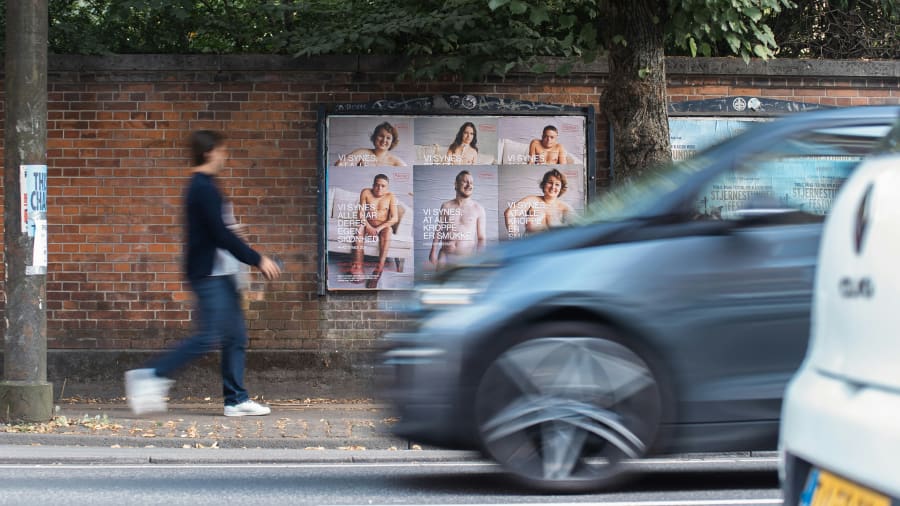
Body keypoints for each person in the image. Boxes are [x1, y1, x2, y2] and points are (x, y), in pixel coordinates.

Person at [125, 130, 282, 417]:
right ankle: (151, 374)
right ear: (209, 152)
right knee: (208, 335)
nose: (225, 156)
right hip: (208, 274)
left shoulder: (206, 185)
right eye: (222, 150)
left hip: (220, 272)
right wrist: (256, 258)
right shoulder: (201, 187)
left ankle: (235, 399)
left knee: (235, 335)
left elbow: (220, 231)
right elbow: (219, 234)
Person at [348, 173, 399, 288]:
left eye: (383, 186)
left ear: (387, 187)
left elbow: (394, 218)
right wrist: (369, 227)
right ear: (373, 185)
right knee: (359, 227)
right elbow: (360, 213)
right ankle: (358, 267)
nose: (379, 188)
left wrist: (378, 228)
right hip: (368, 224)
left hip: (382, 226)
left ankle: (378, 270)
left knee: (389, 230)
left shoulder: (391, 196)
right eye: (377, 185)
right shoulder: (366, 192)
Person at [429, 170, 486, 267]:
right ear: (456, 184)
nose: (469, 185)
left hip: (467, 259)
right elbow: (439, 231)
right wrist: (433, 252)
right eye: (465, 182)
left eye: (471, 183)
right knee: (440, 282)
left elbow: (481, 238)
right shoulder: (446, 206)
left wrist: (479, 258)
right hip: (444, 256)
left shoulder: (478, 209)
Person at [504, 168, 575, 238]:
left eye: (557, 184)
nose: (553, 187)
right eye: (550, 182)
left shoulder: (565, 208)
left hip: (554, 247)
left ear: (561, 188)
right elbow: (510, 213)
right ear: (544, 184)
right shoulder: (531, 200)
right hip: (531, 246)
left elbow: (578, 228)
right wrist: (516, 238)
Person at [335, 122, 407, 167]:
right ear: (375, 136)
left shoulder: (396, 162)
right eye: (381, 136)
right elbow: (339, 164)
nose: (384, 140)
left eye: (388, 138)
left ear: (392, 142)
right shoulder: (362, 153)